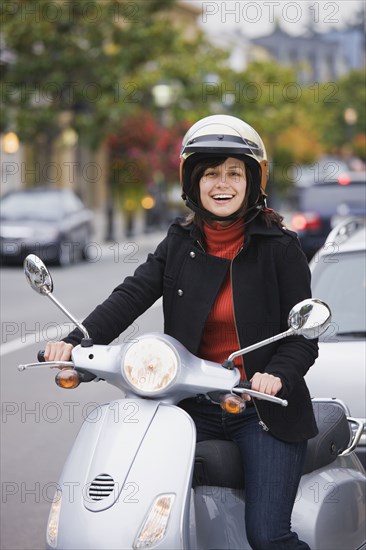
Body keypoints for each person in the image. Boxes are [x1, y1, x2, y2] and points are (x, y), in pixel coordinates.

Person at [45, 114, 318, 549]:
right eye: (211, 173)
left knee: (267, 536)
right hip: (186, 405)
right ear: (194, 182)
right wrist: (78, 341)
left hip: (261, 410)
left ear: (252, 181)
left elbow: (302, 336)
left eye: (233, 172)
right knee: (139, 510)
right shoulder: (180, 242)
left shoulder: (280, 247)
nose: (222, 183)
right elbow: (130, 295)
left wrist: (277, 375)